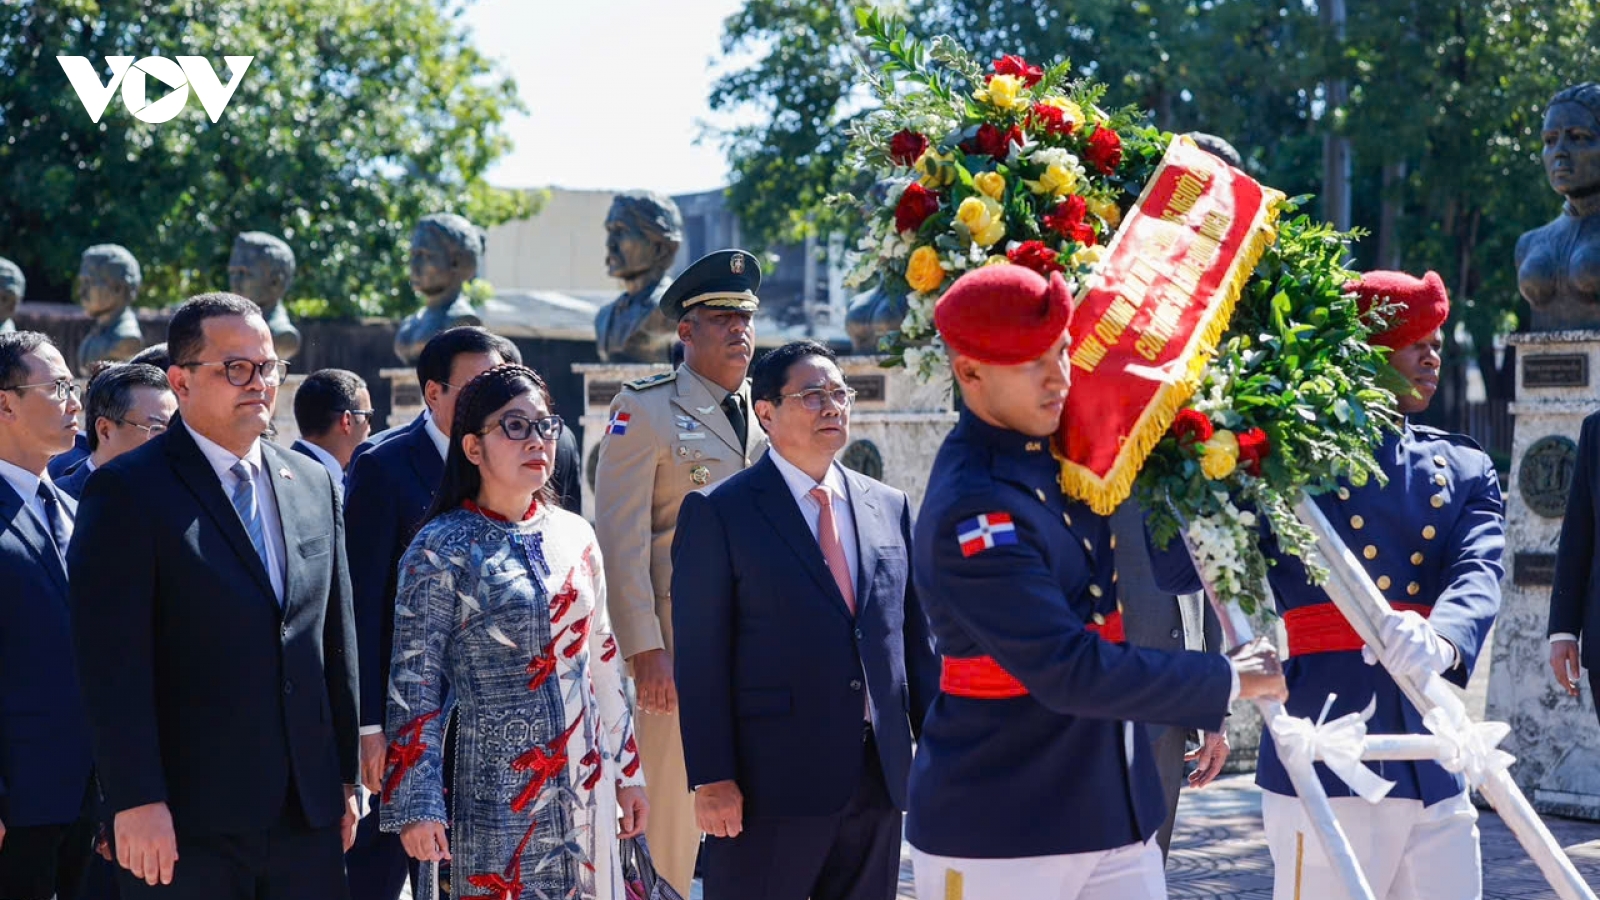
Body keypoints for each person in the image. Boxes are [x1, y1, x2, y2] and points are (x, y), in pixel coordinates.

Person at [907, 265, 1285, 900]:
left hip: (1115, 809)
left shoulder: (1065, 454)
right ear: (969, 372)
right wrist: (1229, 679)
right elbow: (1068, 669)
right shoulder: (975, 506)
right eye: (1031, 363)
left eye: (1061, 352)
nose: (1059, 378)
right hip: (1004, 823)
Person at [1159, 270, 1503, 900]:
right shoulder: (1285, 462)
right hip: (1327, 738)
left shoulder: (1463, 466)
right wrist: (1197, 466)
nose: (1433, 356)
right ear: (1364, 354)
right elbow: (1177, 570)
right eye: (1413, 342)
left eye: (1436, 341)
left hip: (1433, 742)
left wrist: (1444, 639)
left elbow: (1479, 571)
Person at [69, 292, 361, 898]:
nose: (259, 382)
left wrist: (343, 778)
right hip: (186, 820)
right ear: (181, 381)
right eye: (236, 368)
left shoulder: (310, 482)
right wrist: (135, 799)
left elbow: (334, 638)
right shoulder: (129, 491)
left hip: (306, 814)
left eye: (268, 366)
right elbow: (111, 665)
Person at [673, 340, 939, 900]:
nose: (832, 407)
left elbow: (915, 639)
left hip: (878, 777)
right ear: (765, 412)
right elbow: (700, 659)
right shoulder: (721, 512)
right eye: (812, 395)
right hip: (769, 785)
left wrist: (941, 746)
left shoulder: (887, 505)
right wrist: (712, 776)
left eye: (840, 394)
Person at [380, 363, 648, 898]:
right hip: (497, 791)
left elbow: (602, 661)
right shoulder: (439, 548)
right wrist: (417, 803)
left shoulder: (575, 535)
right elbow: (414, 688)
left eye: (545, 426)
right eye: (515, 426)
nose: (537, 441)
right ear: (473, 448)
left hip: (587, 784)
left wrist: (629, 771)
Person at [593, 248, 769, 894]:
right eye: (722, 318)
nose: (738, 331)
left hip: (761, 649)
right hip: (677, 650)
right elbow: (620, 539)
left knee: (754, 814)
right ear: (685, 331)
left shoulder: (771, 412)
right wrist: (644, 649)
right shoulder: (645, 410)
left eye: (746, 318)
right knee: (668, 816)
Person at [341, 325, 510, 900]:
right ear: (434, 393)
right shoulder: (384, 466)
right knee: (383, 873)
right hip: (408, 717)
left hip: (496, 720)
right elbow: (361, 600)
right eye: (476, 386)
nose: (492, 400)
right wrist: (368, 726)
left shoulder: (527, 456)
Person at [0, 332, 95, 900]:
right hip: (16, 803)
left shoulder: (74, 509)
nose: (74, 402)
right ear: (4, 403)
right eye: (57, 387)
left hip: (82, 798)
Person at [1109, 502, 1230, 859]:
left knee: (1151, 860)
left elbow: (1211, 591)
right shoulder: (1089, 457)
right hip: (1107, 691)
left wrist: (1215, 708)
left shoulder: (1191, 457)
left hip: (1179, 690)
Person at [56, 363, 175, 500]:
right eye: (157, 429)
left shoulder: (176, 499)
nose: (170, 442)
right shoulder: (59, 503)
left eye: (174, 428)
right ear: (105, 430)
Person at [393, 214, 485, 365]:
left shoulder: (462, 320)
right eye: (413, 254)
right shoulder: (412, 321)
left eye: (425, 255)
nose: (414, 265)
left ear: (456, 261)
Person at [291, 368, 373, 485]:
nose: (369, 428)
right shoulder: (300, 481)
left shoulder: (284, 471)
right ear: (347, 421)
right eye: (368, 416)